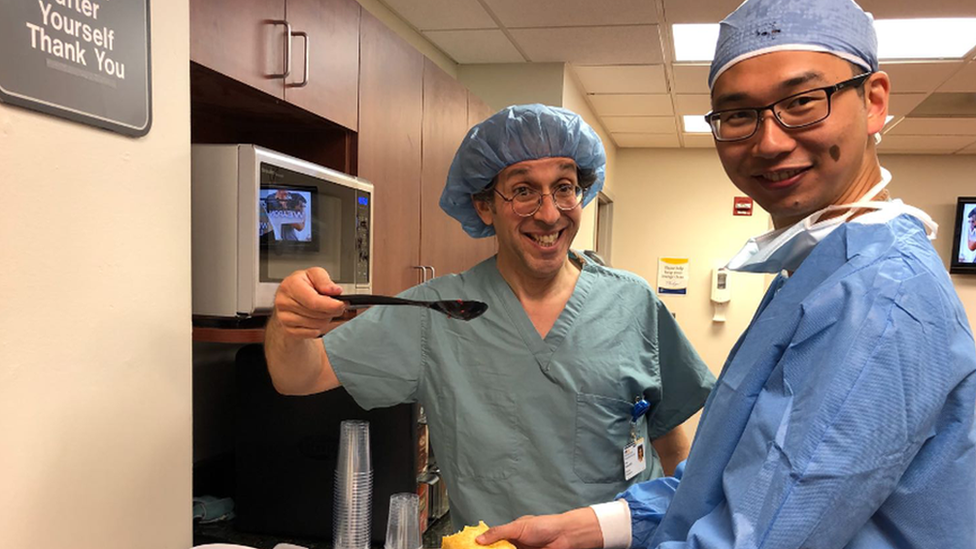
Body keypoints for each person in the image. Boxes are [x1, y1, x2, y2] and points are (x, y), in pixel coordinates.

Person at [476, 1, 976, 547]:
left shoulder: (880, 295)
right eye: (739, 115)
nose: (770, 141)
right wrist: (595, 524)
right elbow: (732, 473)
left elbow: (758, 533)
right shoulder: (817, 272)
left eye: (803, 101)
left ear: (874, 101)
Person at [263, 104, 716, 529]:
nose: (548, 213)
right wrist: (288, 323)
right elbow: (297, 376)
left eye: (563, 187)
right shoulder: (436, 312)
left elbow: (669, 437)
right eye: (522, 191)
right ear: (484, 206)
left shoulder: (632, 303)